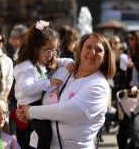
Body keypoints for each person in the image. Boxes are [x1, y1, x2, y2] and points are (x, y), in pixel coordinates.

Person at [16, 32, 116, 149]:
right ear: (80, 50)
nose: (92, 52)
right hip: (37, 144)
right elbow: (39, 93)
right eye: (88, 47)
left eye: (98, 50)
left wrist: (31, 112)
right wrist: (24, 111)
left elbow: (70, 111)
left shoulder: (99, 85)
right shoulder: (64, 70)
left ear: (105, 58)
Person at [14, 20, 75, 149]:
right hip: (29, 105)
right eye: (47, 50)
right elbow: (25, 88)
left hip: (39, 103)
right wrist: (48, 83)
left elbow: (59, 61)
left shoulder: (43, 61)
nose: (50, 55)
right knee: (46, 133)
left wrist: (69, 62)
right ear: (34, 47)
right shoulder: (25, 66)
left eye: (53, 50)